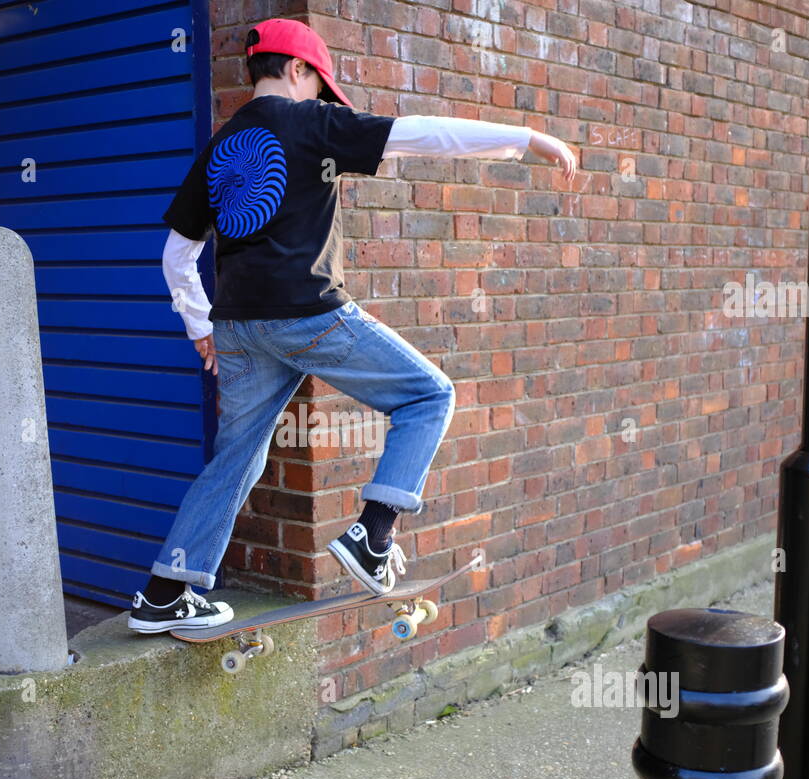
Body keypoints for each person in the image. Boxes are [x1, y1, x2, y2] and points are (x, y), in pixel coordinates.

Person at [129, 17, 576, 633]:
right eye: (319, 84)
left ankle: (164, 591)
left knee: (236, 460)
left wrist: (200, 326)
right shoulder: (313, 123)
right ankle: (375, 532)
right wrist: (525, 138)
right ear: (297, 69)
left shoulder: (220, 146)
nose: (320, 97)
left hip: (238, 329)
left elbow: (176, 253)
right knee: (428, 395)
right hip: (307, 314)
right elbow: (421, 135)